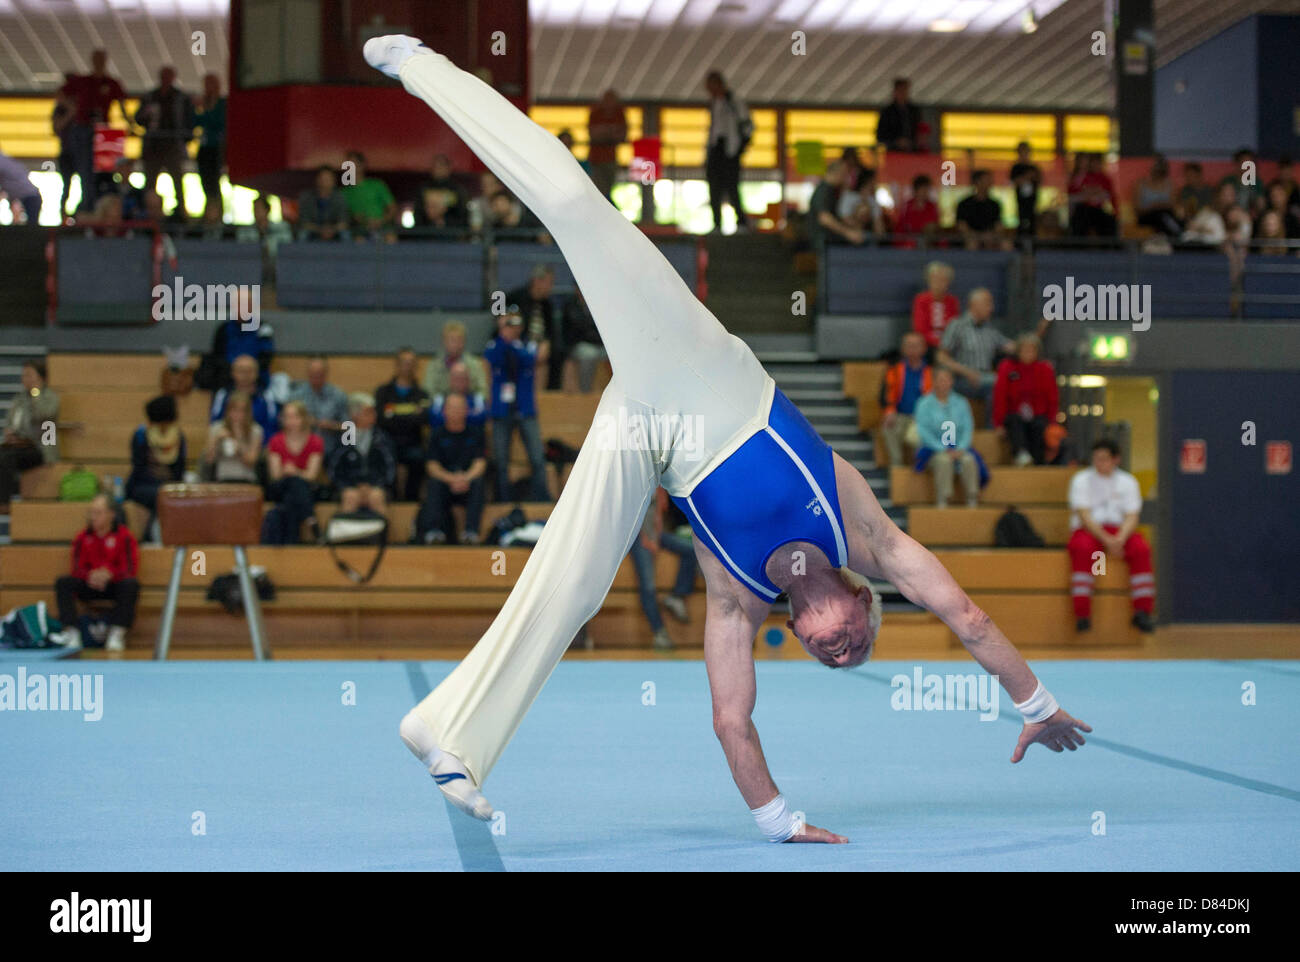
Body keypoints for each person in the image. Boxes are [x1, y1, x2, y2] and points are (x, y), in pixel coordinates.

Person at [368, 36, 1091, 839]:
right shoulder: (867, 535)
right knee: (575, 205)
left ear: (804, 639)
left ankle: (451, 733)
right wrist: (1036, 702)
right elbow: (968, 617)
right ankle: (424, 65)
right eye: (855, 645)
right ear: (861, 599)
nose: (841, 653)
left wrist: (779, 820)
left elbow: (732, 721)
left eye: (834, 661)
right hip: (699, 366)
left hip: (650, 432)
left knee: (572, 587)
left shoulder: (738, 603)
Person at [1067, 439, 1154, 634]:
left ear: (1116, 459)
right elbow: (1084, 514)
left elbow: (1132, 515)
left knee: (1141, 549)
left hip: (1120, 530)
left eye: (1104, 459)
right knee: (1082, 548)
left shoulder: (1128, 481)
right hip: (1090, 530)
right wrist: (1107, 539)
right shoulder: (1081, 480)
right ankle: (1082, 613)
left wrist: (1120, 538)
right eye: (1096, 459)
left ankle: (1143, 611)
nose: (1099, 463)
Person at [49, 494, 140, 653]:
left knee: (131, 585)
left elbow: (129, 568)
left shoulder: (124, 536)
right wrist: (91, 575)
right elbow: (76, 568)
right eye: (91, 512)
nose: (93, 517)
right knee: (63, 582)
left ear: (111, 514)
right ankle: (72, 632)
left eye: (98, 512)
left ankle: (117, 633)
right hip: (89, 584)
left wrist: (109, 574)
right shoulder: (83, 537)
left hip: (113, 585)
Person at [483, 308, 550, 502]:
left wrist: (510, 342)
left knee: (537, 458)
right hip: (501, 410)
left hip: (525, 408)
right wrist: (503, 337)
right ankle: (503, 499)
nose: (512, 328)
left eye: (514, 324)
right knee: (501, 460)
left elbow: (529, 359)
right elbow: (492, 357)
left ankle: (541, 498)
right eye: (507, 324)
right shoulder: (495, 345)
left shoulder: (528, 345)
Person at [58, 50, 130, 215]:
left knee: (105, 175)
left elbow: (122, 104)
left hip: (104, 132)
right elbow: (61, 94)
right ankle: (86, 207)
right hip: (83, 130)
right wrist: (72, 110)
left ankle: (105, 210)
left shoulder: (111, 83)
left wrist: (130, 124)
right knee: (85, 171)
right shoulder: (83, 81)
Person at [627, 487, 697, 651]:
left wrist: (657, 536)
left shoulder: (660, 482)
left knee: (690, 551)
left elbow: (658, 514)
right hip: (638, 536)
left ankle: (677, 596)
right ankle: (659, 632)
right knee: (648, 585)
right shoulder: (638, 478)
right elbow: (632, 514)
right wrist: (648, 539)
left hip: (657, 533)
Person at [414, 393, 487, 545]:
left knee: (479, 483)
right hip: (445, 483)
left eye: (459, 408)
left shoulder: (476, 433)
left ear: (467, 410)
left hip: (468, 482)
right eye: (452, 408)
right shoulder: (436, 434)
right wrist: (452, 479)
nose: (456, 411)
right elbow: (432, 466)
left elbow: (480, 463)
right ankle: (434, 532)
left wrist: (465, 478)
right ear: (444, 411)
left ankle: (471, 532)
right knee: (434, 483)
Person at [936, 288, 1014, 426]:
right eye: (988, 303)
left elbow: (1014, 348)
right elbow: (941, 356)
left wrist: (1036, 337)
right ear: (974, 305)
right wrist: (966, 372)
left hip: (985, 378)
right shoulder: (957, 325)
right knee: (999, 382)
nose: (992, 308)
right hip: (962, 379)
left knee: (1009, 382)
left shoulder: (990, 329)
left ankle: (995, 430)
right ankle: (992, 430)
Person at [913, 367, 985, 508]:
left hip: (958, 448)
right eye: (940, 380)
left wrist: (961, 448)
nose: (944, 383)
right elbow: (923, 431)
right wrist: (942, 448)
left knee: (969, 460)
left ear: (951, 382)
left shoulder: (961, 402)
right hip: (934, 450)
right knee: (944, 461)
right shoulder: (924, 403)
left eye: (947, 380)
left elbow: (967, 427)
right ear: (934, 382)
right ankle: (943, 500)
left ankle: (972, 499)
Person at [134, 66, 196, 214]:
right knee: (150, 183)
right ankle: (147, 212)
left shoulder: (181, 97)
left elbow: (189, 121)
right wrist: (147, 115)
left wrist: (184, 138)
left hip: (172, 145)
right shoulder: (150, 97)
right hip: (153, 147)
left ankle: (181, 212)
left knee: (178, 183)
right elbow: (138, 118)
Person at [0, 359, 59, 509]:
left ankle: (4, 502)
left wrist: (36, 394)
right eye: (24, 375)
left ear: (41, 377)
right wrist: (9, 433)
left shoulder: (50, 398)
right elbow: (10, 422)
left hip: (38, 448)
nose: (25, 379)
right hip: (17, 445)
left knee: (7, 458)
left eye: (29, 375)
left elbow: (45, 416)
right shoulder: (19, 399)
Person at [126, 395, 187, 540]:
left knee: (164, 495)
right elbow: (138, 467)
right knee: (160, 496)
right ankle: (150, 537)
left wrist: (167, 475)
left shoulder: (178, 437)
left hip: (169, 486)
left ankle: (151, 537)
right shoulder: (141, 435)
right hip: (142, 486)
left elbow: (179, 472)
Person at [993, 334, 1059, 466]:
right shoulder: (1007, 367)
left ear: (1037, 352)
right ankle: (1021, 455)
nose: (1028, 353)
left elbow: (1052, 398)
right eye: (1025, 349)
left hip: (1038, 415)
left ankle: (1038, 462)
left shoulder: (1045, 369)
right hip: (1014, 415)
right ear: (1018, 351)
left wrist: (1052, 421)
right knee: (1015, 422)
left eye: (1032, 350)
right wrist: (998, 423)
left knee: (1040, 426)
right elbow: (1000, 396)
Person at [374, 347, 430, 500]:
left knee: (418, 458)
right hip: (387, 441)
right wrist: (411, 415)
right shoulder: (383, 392)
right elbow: (381, 419)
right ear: (397, 365)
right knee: (383, 455)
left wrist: (395, 416)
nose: (408, 366)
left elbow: (423, 419)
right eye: (404, 362)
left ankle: (410, 500)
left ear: (416, 366)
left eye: (411, 363)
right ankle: (390, 498)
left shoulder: (422, 394)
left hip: (412, 442)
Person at [264, 401, 323, 544]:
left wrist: (294, 471)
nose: (291, 421)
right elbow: (275, 475)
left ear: (303, 418)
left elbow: (311, 475)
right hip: (280, 487)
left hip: (304, 488)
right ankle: (310, 518)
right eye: (288, 417)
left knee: (291, 499)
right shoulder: (276, 441)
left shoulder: (315, 441)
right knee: (293, 484)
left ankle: (291, 543)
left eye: (295, 417)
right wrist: (293, 473)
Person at [328, 393, 396, 515]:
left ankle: (381, 533)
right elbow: (334, 470)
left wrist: (374, 485)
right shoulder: (343, 439)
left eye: (373, 412)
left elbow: (390, 468)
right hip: (350, 487)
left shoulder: (382, 438)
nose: (374, 415)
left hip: (376, 486)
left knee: (377, 496)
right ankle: (346, 534)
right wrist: (350, 486)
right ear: (355, 415)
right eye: (368, 412)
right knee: (350, 497)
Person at [704, 70, 751, 233]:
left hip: (731, 150)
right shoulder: (714, 103)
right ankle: (717, 223)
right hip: (716, 149)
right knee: (714, 187)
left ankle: (741, 222)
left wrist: (740, 148)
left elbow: (747, 126)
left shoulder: (734, 101)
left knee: (732, 186)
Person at [879, 332, 931, 468]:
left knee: (921, 435)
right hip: (900, 416)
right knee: (888, 427)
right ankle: (897, 467)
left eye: (916, 346)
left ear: (924, 348)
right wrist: (890, 411)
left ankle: (919, 467)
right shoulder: (894, 370)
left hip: (921, 419)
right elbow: (885, 396)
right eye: (909, 346)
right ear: (903, 349)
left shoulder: (931, 372)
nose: (912, 349)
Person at [287, 355, 349, 460]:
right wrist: (303, 422)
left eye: (319, 374)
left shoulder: (338, 395)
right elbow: (283, 423)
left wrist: (332, 425)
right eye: (312, 373)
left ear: (326, 374)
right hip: (299, 451)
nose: (315, 377)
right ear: (307, 373)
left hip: (330, 451)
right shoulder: (295, 396)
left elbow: (349, 427)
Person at [210, 354, 278, 442]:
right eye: (241, 371)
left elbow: (272, 426)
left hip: (258, 446)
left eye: (250, 371)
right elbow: (215, 423)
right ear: (233, 373)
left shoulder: (267, 396)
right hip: (227, 443)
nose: (245, 375)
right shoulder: (223, 395)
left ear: (257, 373)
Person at [202, 390, 262, 483]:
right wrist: (216, 440)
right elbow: (208, 460)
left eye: (242, 411)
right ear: (228, 411)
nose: (237, 415)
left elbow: (251, 462)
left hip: (247, 479)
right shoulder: (217, 428)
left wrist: (238, 443)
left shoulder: (255, 430)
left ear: (247, 413)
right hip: (223, 479)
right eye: (234, 410)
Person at [423, 320, 489, 399]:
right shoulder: (434, 365)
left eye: (459, 340)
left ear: (464, 342)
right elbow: (428, 390)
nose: (455, 344)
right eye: (452, 340)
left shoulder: (474, 364)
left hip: (468, 405)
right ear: (444, 342)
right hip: (442, 406)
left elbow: (483, 390)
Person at [808, 160, 865, 249]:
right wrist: (848, 233)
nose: (846, 178)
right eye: (844, 174)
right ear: (838, 173)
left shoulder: (831, 191)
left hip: (827, 244)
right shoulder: (823, 191)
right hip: (823, 245)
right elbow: (825, 218)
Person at [342, 150, 397, 241]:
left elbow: (392, 208)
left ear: (362, 165)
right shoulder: (344, 192)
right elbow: (345, 215)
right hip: (359, 229)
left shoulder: (377, 184)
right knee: (358, 240)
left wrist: (381, 221)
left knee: (391, 238)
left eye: (354, 164)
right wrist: (358, 219)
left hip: (382, 227)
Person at [193, 73, 227, 215]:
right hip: (204, 148)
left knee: (214, 183)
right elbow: (196, 121)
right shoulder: (204, 104)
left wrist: (206, 110)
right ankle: (209, 213)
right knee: (205, 183)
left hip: (217, 148)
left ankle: (217, 213)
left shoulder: (222, 103)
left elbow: (218, 122)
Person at [586, 90, 627, 200]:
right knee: (598, 188)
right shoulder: (596, 112)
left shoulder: (619, 113)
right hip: (596, 160)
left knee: (608, 189)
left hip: (611, 159)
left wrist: (605, 132)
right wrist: (610, 131)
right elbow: (594, 134)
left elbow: (622, 135)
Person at [911, 261, 959, 350]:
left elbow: (954, 327)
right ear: (928, 281)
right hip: (927, 344)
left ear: (948, 283)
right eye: (935, 279)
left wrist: (946, 342)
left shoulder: (952, 301)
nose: (938, 284)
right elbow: (920, 329)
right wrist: (939, 342)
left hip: (948, 345)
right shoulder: (921, 299)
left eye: (943, 280)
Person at [954, 169, 1005, 250]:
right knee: (972, 244)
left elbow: (998, 225)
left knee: (1006, 244)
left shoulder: (994, 204)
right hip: (971, 237)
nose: (990, 183)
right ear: (977, 182)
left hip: (990, 237)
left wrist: (992, 235)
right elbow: (961, 226)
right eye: (986, 180)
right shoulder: (964, 204)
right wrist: (977, 236)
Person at [1132, 155, 1181, 238]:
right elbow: (1137, 208)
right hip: (1146, 216)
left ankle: (1170, 237)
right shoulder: (1140, 184)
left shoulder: (1171, 185)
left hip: (1166, 215)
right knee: (1161, 217)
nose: (1158, 171)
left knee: (1165, 216)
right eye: (1156, 168)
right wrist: (1154, 207)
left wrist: (1159, 206)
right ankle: (1177, 236)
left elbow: (1174, 206)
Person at [297, 165, 350, 241]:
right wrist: (320, 230)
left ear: (334, 181)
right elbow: (303, 222)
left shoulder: (340, 197)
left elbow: (344, 222)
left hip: (335, 232)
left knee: (345, 234)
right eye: (322, 178)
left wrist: (332, 229)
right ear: (317, 180)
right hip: (313, 231)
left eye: (328, 179)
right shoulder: (306, 197)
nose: (324, 182)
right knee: (302, 234)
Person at [428, 361, 488, 426]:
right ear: (450, 380)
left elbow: (481, 419)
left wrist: (450, 414)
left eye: (462, 378)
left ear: (468, 380)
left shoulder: (477, 399)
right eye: (456, 378)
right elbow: (434, 419)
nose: (459, 382)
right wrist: (467, 414)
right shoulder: (440, 398)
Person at [875, 78, 921, 152]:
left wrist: (913, 142)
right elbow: (880, 136)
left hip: (912, 152)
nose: (903, 93)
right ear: (895, 92)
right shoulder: (887, 112)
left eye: (905, 90)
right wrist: (896, 142)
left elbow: (920, 132)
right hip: (893, 153)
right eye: (901, 90)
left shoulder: (914, 111)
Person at [0, 149, 42, 225]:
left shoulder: (2, 160)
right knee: (31, 225)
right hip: (29, 196)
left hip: (30, 197)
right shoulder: (7, 160)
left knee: (32, 226)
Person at [1009, 141, 1040, 237]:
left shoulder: (1034, 167)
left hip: (1032, 201)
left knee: (1032, 222)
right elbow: (1014, 182)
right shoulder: (1016, 168)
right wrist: (1026, 177)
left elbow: (1038, 180)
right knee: (1022, 222)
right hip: (1020, 201)